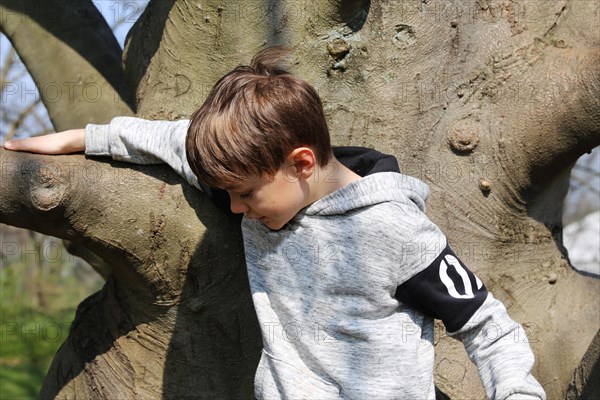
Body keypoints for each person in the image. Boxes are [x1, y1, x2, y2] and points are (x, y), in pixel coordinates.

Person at [4, 47, 546, 399]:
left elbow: (486, 324)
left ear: (302, 162)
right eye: (228, 194)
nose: (235, 209)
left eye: (244, 195)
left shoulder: (395, 231)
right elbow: (169, 139)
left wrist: (518, 393)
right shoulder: (258, 180)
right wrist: (84, 138)